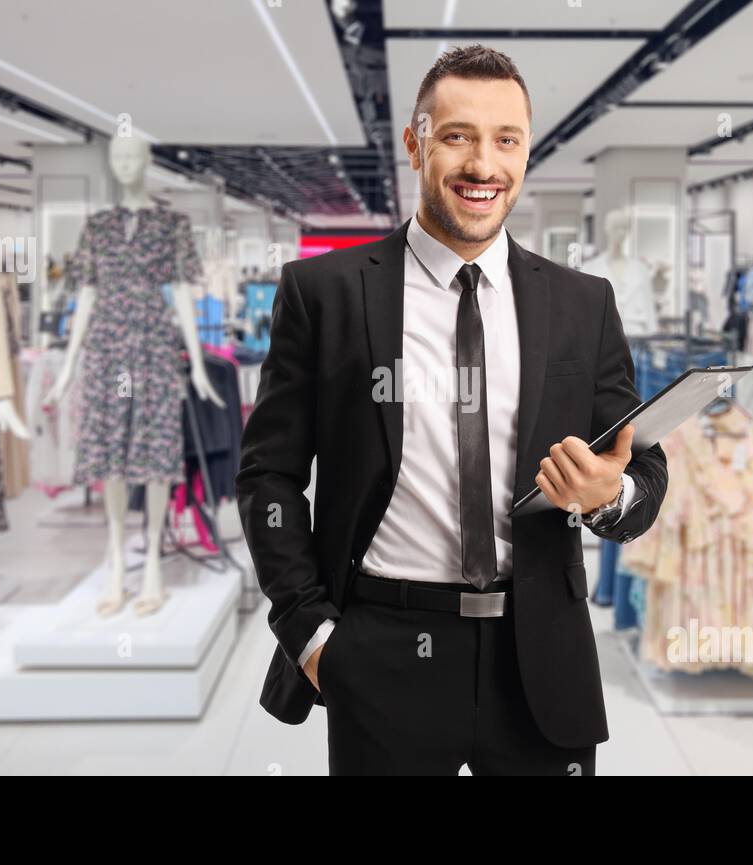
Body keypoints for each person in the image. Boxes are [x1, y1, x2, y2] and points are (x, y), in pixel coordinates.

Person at [237, 44, 668, 776]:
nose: (483, 165)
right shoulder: (324, 293)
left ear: (526, 150)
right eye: (458, 136)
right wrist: (310, 634)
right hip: (382, 649)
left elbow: (644, 469)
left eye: (507, 140)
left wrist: (610, 495)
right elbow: (268, 476)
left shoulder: (583, 303)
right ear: (415, 144)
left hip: (541, 656)